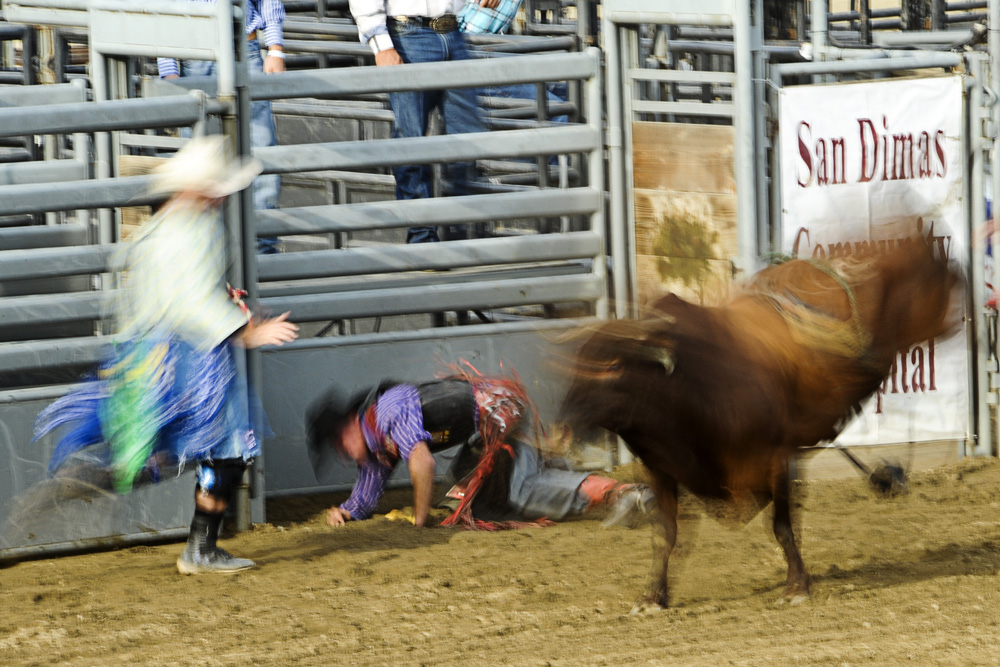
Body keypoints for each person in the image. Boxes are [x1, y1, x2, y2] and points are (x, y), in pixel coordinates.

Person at [33, 136, 300, 574]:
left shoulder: (157, 229)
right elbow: (194, 301)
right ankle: (200, 546)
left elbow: (157, 297)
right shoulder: (197, 229)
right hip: (194, 358)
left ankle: (97, 476)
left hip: (149, 356)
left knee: (161, 447)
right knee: (227, 449)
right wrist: (247, 330)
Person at [306, 365, 655, 530]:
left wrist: (420, 524)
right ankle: (553, 467)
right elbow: (366, 495)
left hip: (500, 412)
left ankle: (619, 492)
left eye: (338, 442)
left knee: (520, 493)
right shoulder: (374, 445)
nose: (341, 452)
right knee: (472, 501)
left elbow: (422, 463)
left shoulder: (390, 409)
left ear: (352, 424)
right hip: (484, 426)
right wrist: (347, 511)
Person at [348, 0, 499, 243]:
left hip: (452, 32)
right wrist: (381, 44)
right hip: (408, 34)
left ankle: (461, 233)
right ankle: (422, 238)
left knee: (467, 136)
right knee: (412, 140)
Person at [157, 0, 286, 254]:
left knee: (258, 149)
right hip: (195, 48)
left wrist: (275, 47)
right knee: (201, 160)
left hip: (239, 44)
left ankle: (262, 250)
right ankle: (203, 251)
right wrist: (168, 66)